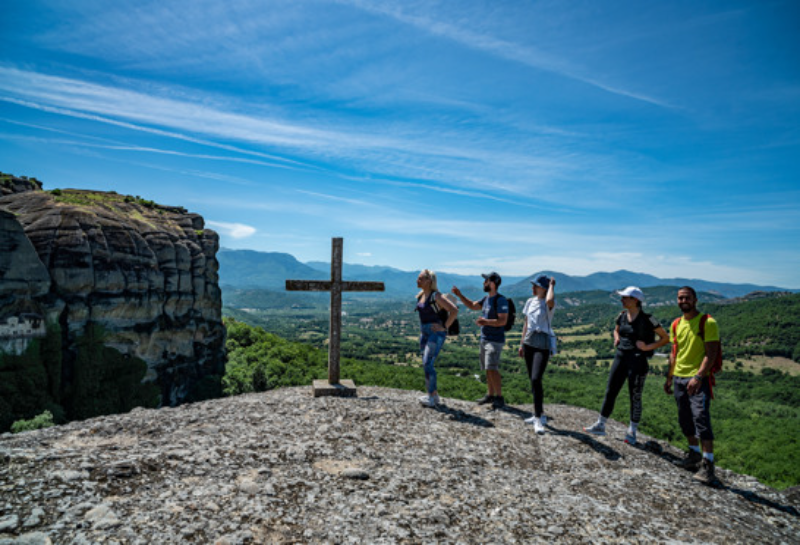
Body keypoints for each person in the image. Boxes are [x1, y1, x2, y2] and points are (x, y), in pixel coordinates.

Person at [583, 286, 669, 444]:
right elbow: (616, 330)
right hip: (620, 357)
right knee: (611, 391)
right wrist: (616, 338)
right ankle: (600, 424)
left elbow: (665, 338)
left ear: (635, 300)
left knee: (635, 396)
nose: (621, 300)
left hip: (637, 361)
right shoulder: (622, 316)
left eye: (625, 297)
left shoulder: (648, 319)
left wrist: (647, 347)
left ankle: (632, 432)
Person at [665, 286, 720, 485]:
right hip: (679, 377)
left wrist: (698, 376)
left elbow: (711, 353)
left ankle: (708, 465)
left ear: (695, 300)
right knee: (685, 419)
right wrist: (669, 377)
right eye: (680, 298)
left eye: (687, 298)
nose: (683, 301)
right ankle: (693, 455)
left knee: (701, 418)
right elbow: (674, 352)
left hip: (697, 379)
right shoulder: (676, 324)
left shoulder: (708, 322)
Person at [452, 272, 508, 408]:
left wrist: (485, 322)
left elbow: (503, 321)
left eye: (486, 281)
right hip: (485, 338)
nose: (483, 283)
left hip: (494, 340)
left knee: (492, 367)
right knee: (487, 368)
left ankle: (499, 397)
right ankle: (490, 395)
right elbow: (472, 305)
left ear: (493, 283)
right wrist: (459, 295)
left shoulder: (500, 300)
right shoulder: (486, 299)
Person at [518, 275, 556, 434]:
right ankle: (538, 414)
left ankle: (539, 417)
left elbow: (549, 301)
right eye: (533, 285)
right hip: (529, 342)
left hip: (542, 343)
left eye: (537, 286)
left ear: (545, 289)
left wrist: (552, 286)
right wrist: (521, 344)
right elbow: (526, 323)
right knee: (533, 381)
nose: (533, 288)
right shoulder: (529, 301)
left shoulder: (549, 303)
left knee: (536, 378)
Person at [415, 269, 458, 407]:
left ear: (429, 281)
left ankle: (432, 397)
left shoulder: (436, 296)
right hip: (425, 333)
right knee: (426, 364)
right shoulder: (421, 295)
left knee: (428, 363)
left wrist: (444, 327)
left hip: (435, 333)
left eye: (420, 278)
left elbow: (454, 310)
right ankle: (433, 395)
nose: (417, 280)